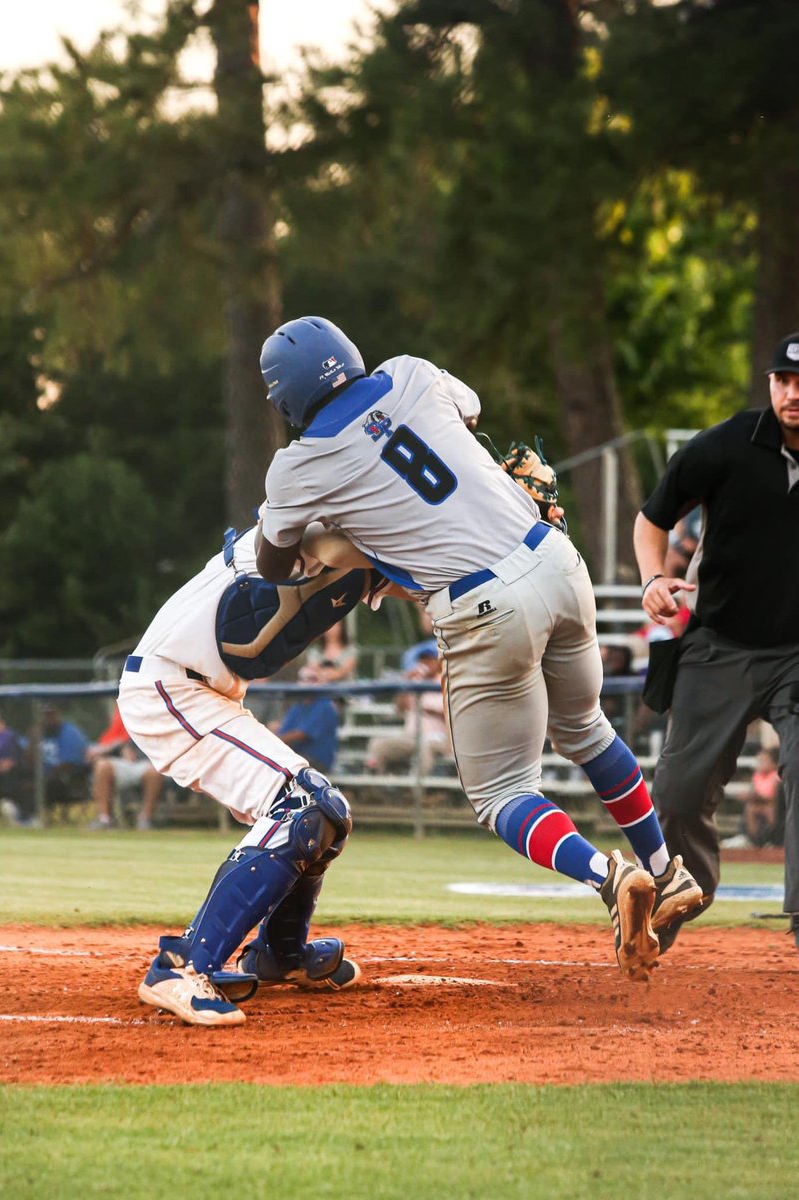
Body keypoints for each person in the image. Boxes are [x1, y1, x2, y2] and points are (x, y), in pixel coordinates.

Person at [255, 315, 702, 981]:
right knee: (585, 728)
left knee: (500, 794)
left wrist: (336, 522)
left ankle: (611, 877)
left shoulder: (297, 464)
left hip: (481, 601)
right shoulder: (409, 370)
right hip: (551, 554)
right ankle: (668, 872)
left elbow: (271, 561)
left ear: (285, 397)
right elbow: (467, 416)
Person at [118, 525, 387, 1026]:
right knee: (304, 808)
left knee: (331, 815)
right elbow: (335, 545)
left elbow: (411, 573)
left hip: (208, 692)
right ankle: (180, 968)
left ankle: (278, 955)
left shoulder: (360, 522)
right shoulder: (301, 510)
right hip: (169, 686)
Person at [634, 330, 799, 953]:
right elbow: (653, 518)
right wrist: (653, 577)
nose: (793, 394)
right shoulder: (729, 444)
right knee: (675, 796)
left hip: (797, 652)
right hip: (719, 643)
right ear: (770, 385)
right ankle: (680, 899)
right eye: (784, 380)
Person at [365, 647, 451, 776]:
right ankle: (375, 788)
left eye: (429, 661)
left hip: (436, 738)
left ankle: (418, 792)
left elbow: (450, 714)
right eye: (422, 661)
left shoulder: (445, 682)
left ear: (437, 663)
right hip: (410, 737)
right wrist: (406, 683)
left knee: (424, 748)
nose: (425, 664)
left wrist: (427, 708)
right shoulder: (414, 682)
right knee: (377, 744)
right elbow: (400, 708)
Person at [86, 704, 164, 831]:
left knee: (154, 772)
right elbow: (119, 744)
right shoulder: (127, 711)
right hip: (124, 763)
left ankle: (145, 819)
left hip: (147, 763)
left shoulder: (159, 714)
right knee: (102, 766)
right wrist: (123, 748)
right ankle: (104, 819)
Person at [272, 664, 340, 773]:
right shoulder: (299, 705)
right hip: (297, 757)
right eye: (303, 679)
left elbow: (301, 734)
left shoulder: (325, 705)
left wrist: (272, 742)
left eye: (313, 679)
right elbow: (282, 729)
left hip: (316, 761)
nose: (307, 683)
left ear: (321, 682)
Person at [721, 748, 784, 851]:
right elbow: (755, 793)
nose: (760, 764)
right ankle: (754, 840)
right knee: (750, 808)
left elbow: (772, 797)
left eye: (764, 761)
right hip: (759, 804)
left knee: (770, 809)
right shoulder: (757, 776)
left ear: (773, 763)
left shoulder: (775, 776)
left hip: (774, 806)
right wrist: (750, 796)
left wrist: (752, 797)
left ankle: (773, 840)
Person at [40, 705, 91, 812]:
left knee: (48, 782)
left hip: (66, 781)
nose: (48, 719)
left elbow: (69, 764)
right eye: (46, 715)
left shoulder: (70, 733)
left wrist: (46, 774)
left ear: (58, 715)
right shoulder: (39, 733)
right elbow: (28, 760)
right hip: (42, 777)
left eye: (51, 715)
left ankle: (40, 815)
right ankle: (24, 817)